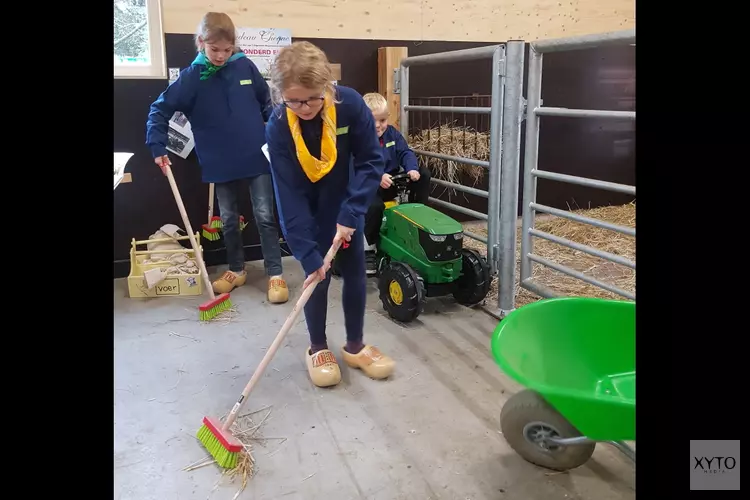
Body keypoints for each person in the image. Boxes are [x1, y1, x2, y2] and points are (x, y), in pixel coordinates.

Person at [265, 41, 395, 387]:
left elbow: (371, 161)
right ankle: (317, 347)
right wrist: (307, 251)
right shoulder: (278, 125)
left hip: (345, 205)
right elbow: (287, 194)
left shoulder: (350, 105)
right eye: (293, 100)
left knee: (353, 274)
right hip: (307, 210)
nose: (303, 107)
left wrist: (352, 212)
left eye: (310, 98)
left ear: (327, 87)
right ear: (281, 96)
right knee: (316, 278)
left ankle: (354, 345)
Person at [145, 12, 289, 304]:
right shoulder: (191, 78)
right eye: (215, 50)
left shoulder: (245, 66)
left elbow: (266, 103)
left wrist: (278, 134)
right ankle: (236, 269)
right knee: (227, 218)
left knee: (264, 215)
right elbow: (158, 110)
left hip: (255, 156)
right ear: (201, 43)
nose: (222, 56)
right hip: (219, 161)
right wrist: (157, 147)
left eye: (227, 49)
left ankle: (275, 272)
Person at [361, 92, 432, 273]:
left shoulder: (392, 134)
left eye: (383, 120)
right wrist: (377, 176)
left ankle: (417, 219)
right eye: (372, 121)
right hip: (369, 185)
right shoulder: (358, 140)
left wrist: (412, 168)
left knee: (424, 174)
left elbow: (405, 152)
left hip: (392, 182)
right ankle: (367, 248)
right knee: (374, 206)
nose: (378, 126)